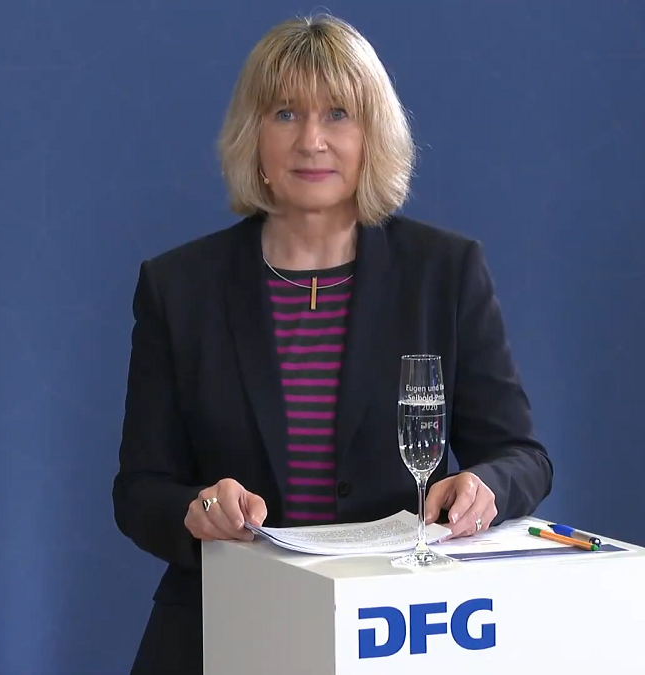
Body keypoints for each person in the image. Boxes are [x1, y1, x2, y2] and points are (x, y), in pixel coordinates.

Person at [112, 13, 553, 674]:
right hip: (223, 625)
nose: (311, 141)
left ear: (373, 134)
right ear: (253, 134)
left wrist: (486, 485)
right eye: (285, 114)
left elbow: (523, 456)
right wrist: (197, 509)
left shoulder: (444, 273)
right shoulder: (178, 287)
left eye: (338, 114)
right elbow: (139, 490)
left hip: (399, 631)